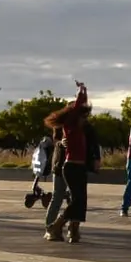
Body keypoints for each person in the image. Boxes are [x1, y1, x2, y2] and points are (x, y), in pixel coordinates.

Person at [43, 82, 93, 244]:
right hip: (71, 167)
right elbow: (77, 107)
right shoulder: (70, 125)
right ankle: (56, 225)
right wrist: (81, 92)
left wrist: (84, 93)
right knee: (76, 199)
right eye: (82, 116)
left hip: (80, 167)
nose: (84, 118)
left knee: (81, 200)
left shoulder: (80, 129)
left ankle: (74, 230)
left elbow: (81, 107)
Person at [41, 129, 68, 241]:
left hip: (69, 165)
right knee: (57, 197)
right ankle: (50, 228)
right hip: (60, 164)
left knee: (69, 198)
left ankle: (66, 228)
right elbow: (56, 138)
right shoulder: (63, 123)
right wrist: (61, 142)